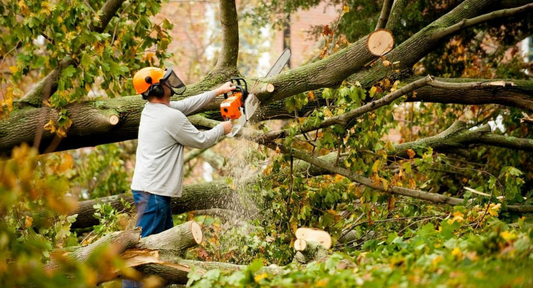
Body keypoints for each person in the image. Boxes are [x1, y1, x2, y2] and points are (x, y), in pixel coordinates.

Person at [123, 67, 234, 287]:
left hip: (152, 191)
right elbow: (201, 140)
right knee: (141, 254)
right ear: (156, 87)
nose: (170, 84)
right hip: (154, 195)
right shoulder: (169, 117)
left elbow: (187, 105)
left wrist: (217, 91)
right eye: (165, 81)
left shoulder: (153, 110)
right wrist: (223, 128)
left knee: (164, 252)